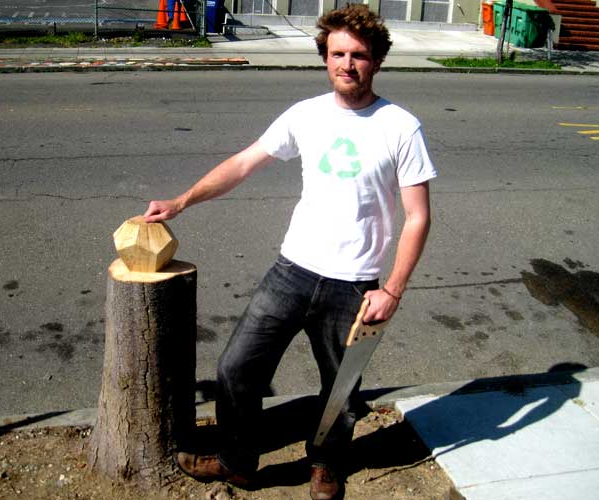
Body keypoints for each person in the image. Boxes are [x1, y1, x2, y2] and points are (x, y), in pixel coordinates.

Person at [144, 4, 437, 499]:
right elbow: (244, 163)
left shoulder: (400, 126)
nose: (347, 64)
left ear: (377, 62)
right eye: (338, 53)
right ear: (325, 57)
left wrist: (393, 288)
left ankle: (325, 464)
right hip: (292, 270)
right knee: (236, 368)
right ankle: (237, 460)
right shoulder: (307, 115)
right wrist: (182, 200)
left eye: (359, 55)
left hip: (356, 284)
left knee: (340, 391)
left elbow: (418, 216)